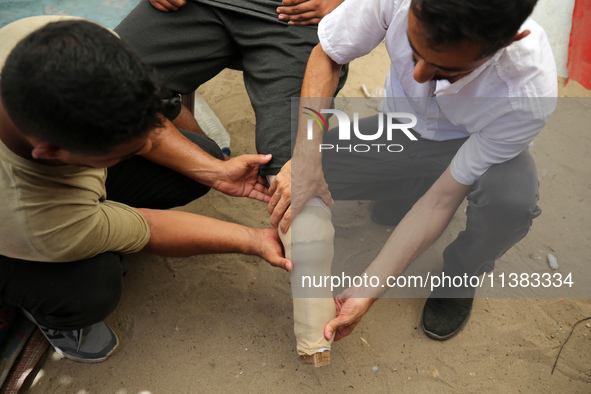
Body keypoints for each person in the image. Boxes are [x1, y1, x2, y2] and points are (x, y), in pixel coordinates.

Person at [0, 16, 291, 363]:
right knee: (93, 285)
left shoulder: (57, 43)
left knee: (199, 160)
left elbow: (148, 122)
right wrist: (254, 240)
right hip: (23, 234)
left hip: (61, 196)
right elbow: (146, 228)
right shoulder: (39, 220)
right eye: (124, 153)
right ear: (51, 152)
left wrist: (214, 172)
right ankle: (54, 316)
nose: (146, 147)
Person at [267, 0, 557, 342]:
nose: (417, 77)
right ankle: (406, 186)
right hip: (399, 126)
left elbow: (440, 201)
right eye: (413, 50)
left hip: (469, 142)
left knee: (510, 200)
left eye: (447, 70)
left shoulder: (528, 95)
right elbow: (328, 55)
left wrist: (367, 289)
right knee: (283, 174)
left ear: (506, 42)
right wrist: (307, 154)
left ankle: (461, 275)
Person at [114, 0, 348, 176]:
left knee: (293, 174)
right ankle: (209, 158)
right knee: (103, 87)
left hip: (298, 13)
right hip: (199, 4)